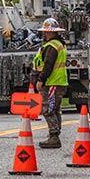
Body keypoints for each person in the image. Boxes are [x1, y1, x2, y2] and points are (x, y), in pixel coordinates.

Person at [33, 18, 68, 149]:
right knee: (55, 109)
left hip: (52, 82)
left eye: (47, 32)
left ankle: (54, 137)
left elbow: (48, 65)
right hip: (59, 82)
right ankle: (54, 134)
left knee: (48, 109)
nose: (45, 34)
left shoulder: (51, 46)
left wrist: (41, 79)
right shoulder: (60, 44)